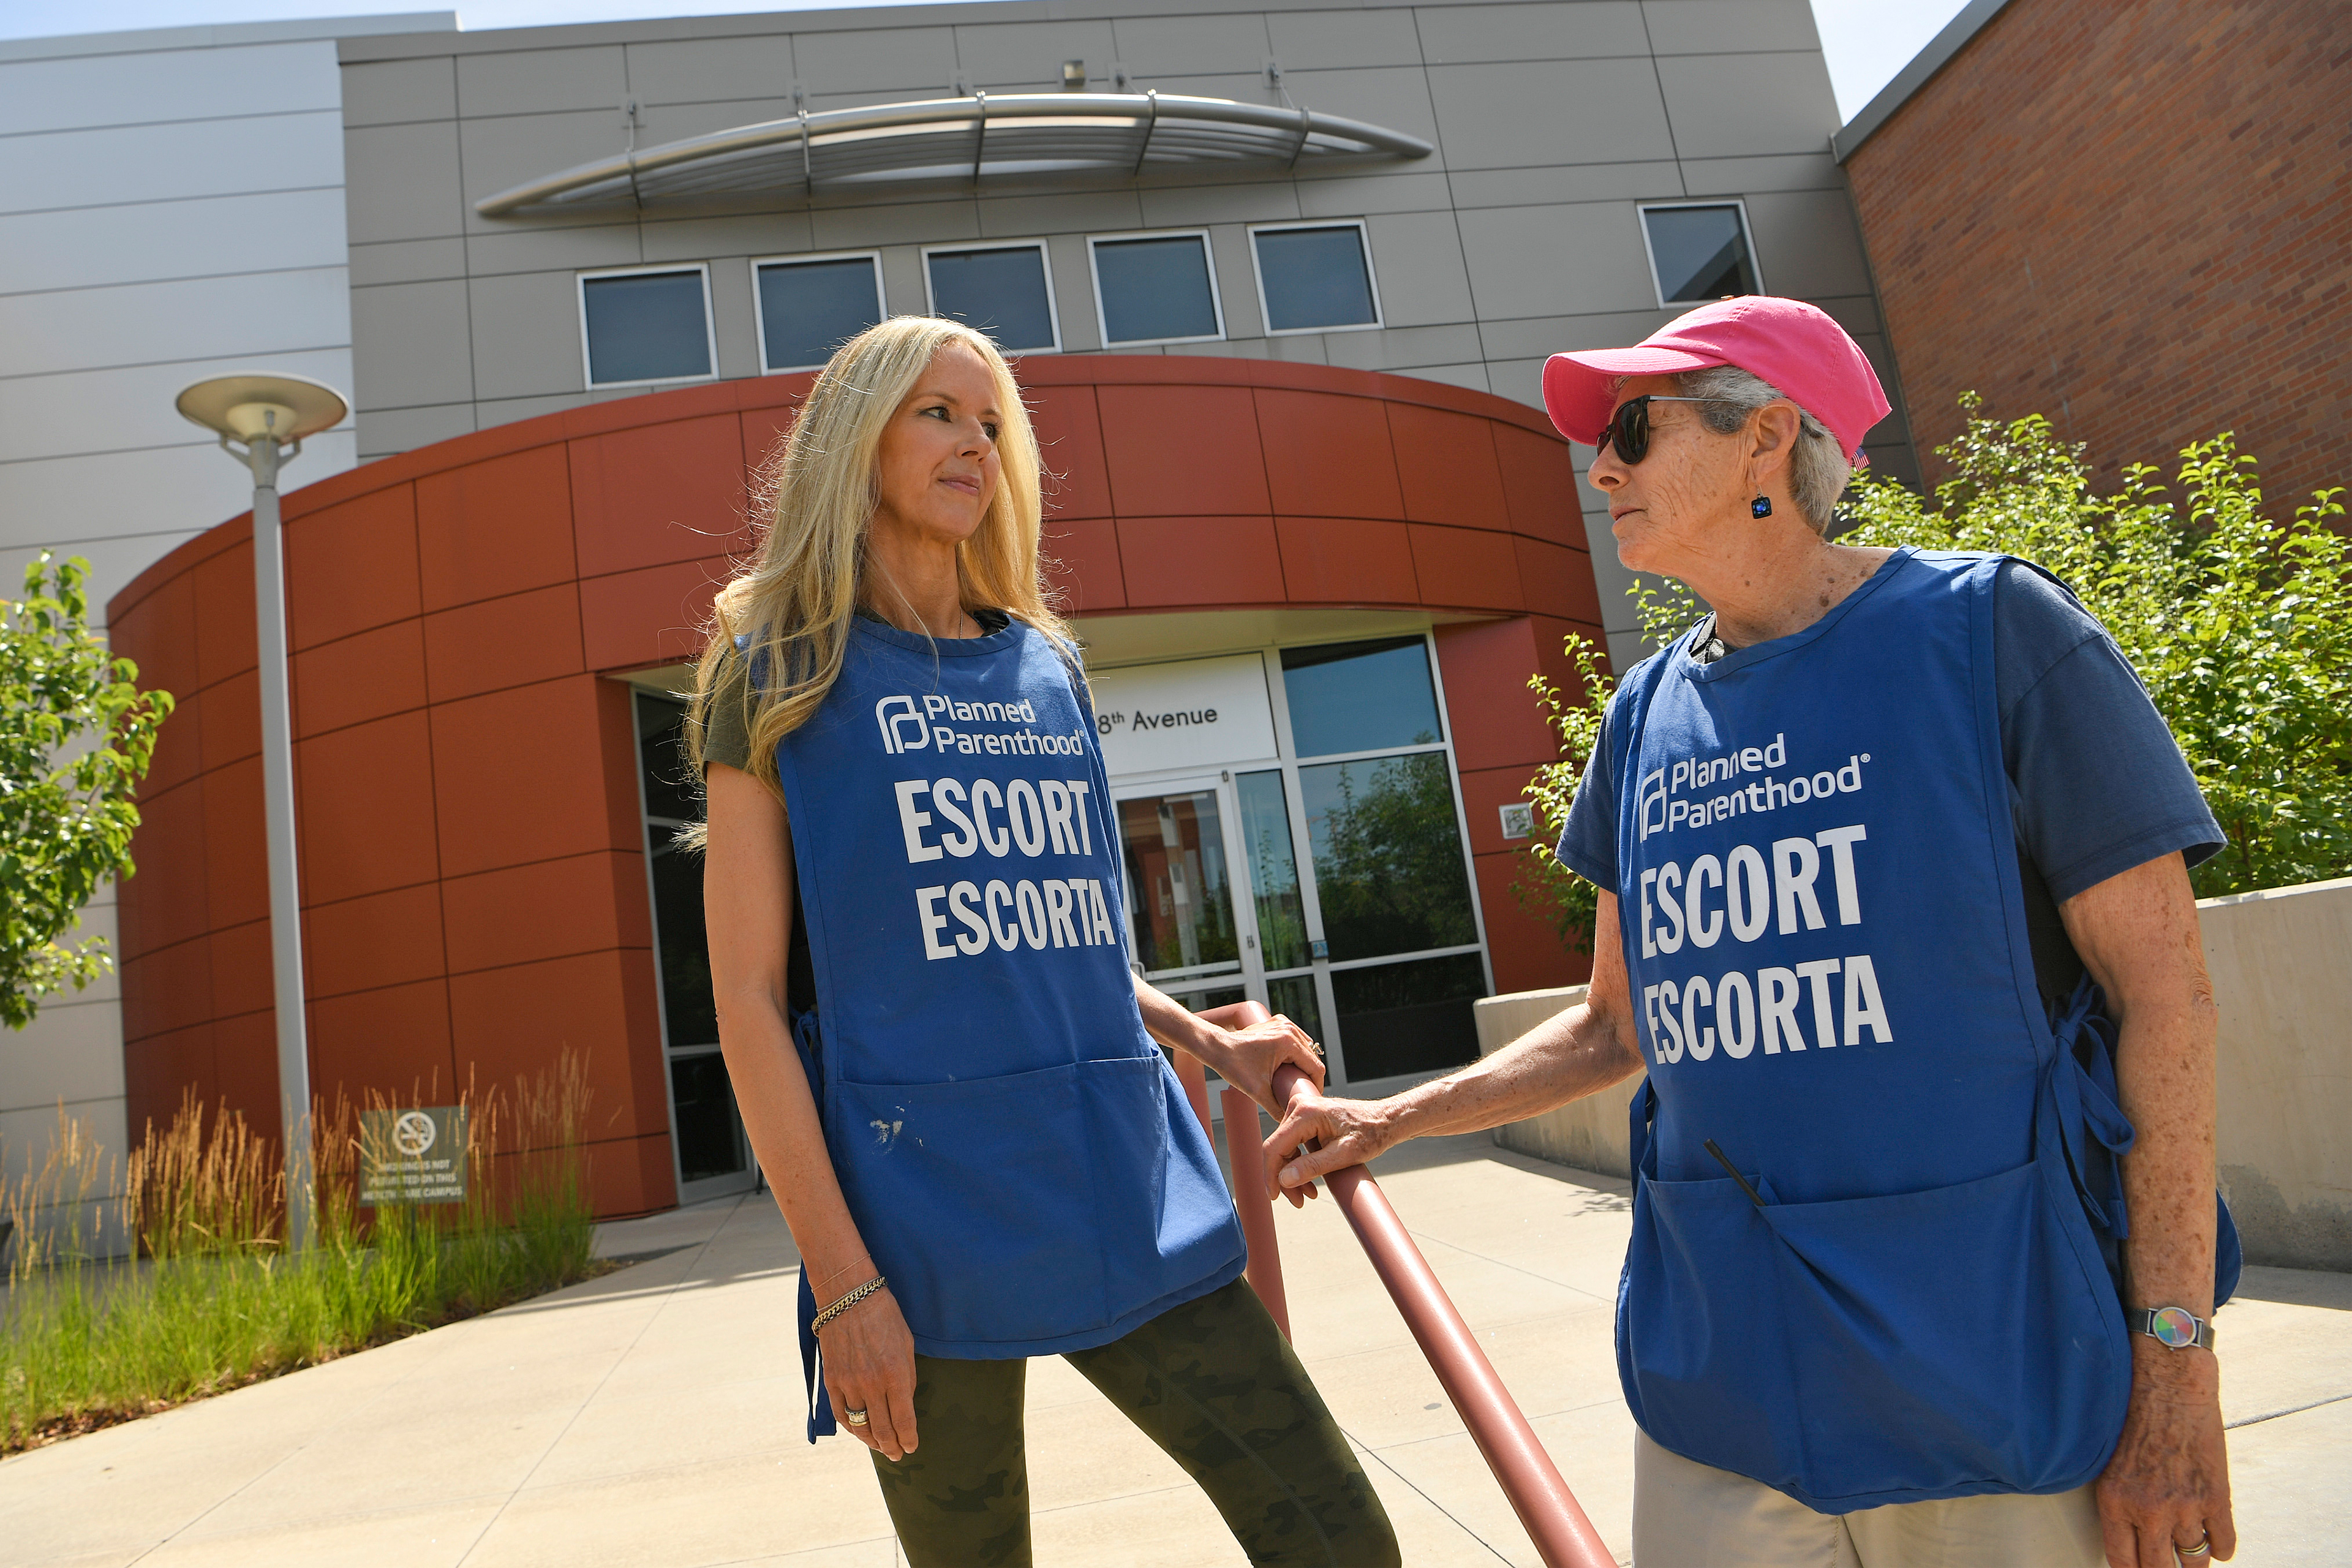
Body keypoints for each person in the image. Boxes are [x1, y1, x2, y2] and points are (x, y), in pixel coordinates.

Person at [1264, 297, 2239, 1567]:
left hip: (1994, 1364)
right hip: (1726, 1377)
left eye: (1631, 428)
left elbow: (2166, 998)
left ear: (1765, 436)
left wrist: (2174, 1359)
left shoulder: (1996, 635)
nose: (1600, 465)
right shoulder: (1641, 713)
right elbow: (1618, 1022)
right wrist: (1394, 1117)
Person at [688, 316, 1398, 1567]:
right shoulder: (778, 665)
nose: (978, 442)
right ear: (857, 440)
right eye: (940, 413)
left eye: (994, 422)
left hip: (1117, 1169)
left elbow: (1067, 939)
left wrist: (1204, 1039)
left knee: (1339, 1537)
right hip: (918, 1216)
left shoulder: (1047, 666)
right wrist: (843, 1282)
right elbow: (745, 998)